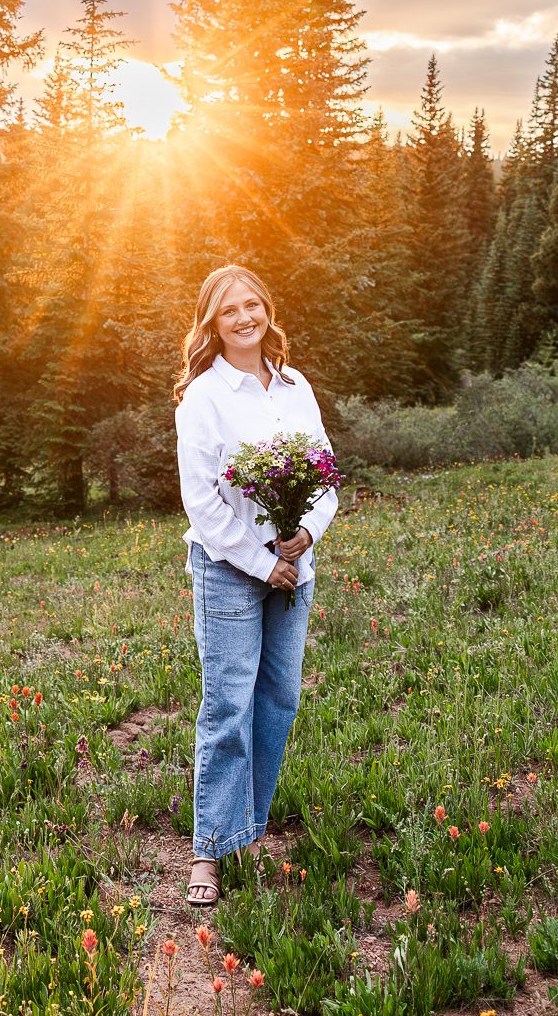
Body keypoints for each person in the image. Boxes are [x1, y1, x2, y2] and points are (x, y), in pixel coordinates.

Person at [173, 264, 339, 906]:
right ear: (211, 325)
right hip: (229, 568)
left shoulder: (294, 386)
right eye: (228, 311)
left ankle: (248, 831)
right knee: (228, 706)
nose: (244, 318)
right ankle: (209, 851)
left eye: (252, 304)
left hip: (293, 561)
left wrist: (307, 534)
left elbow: (323, 469)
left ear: (267, 309)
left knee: (279, 699)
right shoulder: (205, 398)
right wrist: (258, 558)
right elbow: (202, 503)